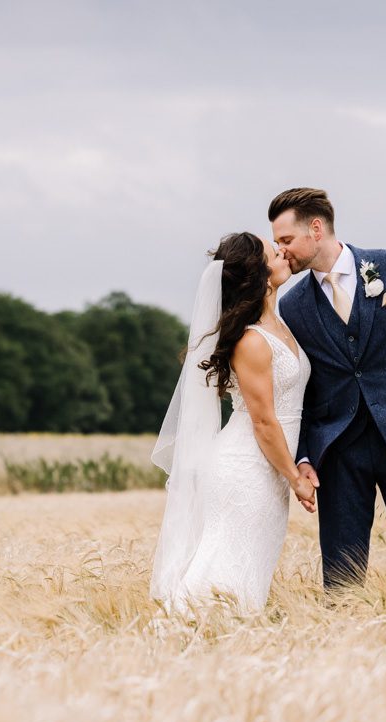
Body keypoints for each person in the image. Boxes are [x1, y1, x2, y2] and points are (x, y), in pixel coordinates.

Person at [270, 188, 386, 590]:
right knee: (341, 581)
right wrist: (305, 453)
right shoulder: (293, 304)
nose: (281, 251)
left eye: (286, 240)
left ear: (316, 228)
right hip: (338, 451)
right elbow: (302, 383)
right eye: (276, 243)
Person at [150, 232, 315, 615]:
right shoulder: (252, 341)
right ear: (260, 273)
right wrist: (295, 478)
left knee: (252, 563)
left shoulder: (279, 324)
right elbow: (264, 421)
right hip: (247, 467)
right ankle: (190, 635)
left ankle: (227, 648)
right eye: (274, 251)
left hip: (270, 467)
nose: (283, 252)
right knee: (228, 562)